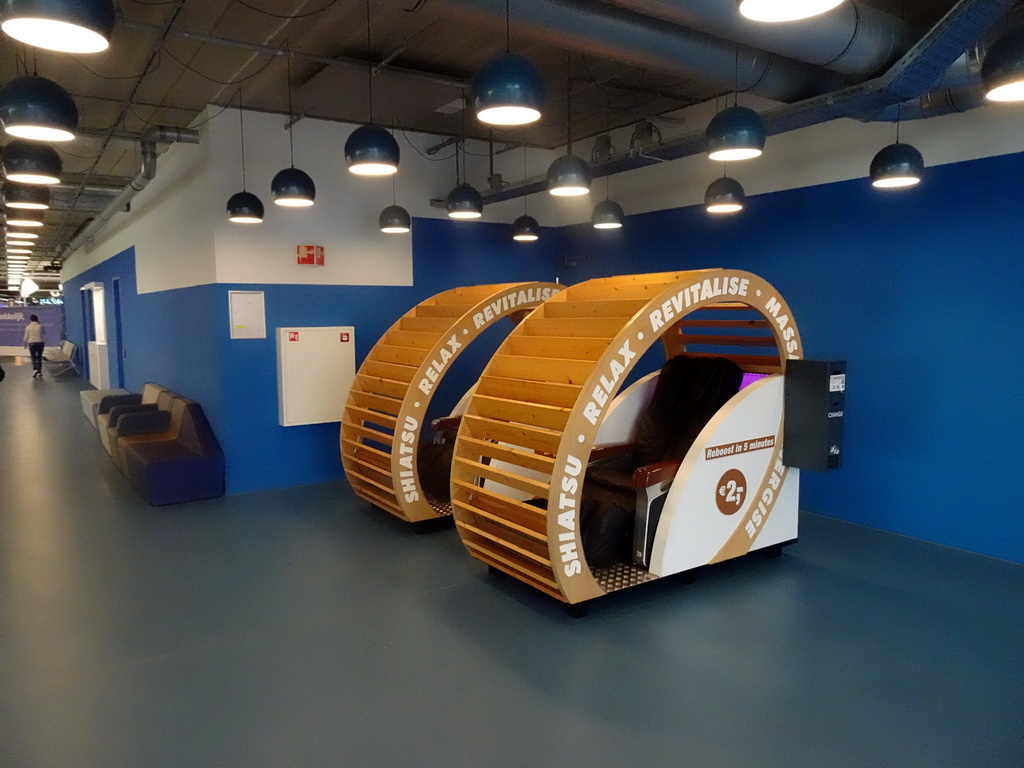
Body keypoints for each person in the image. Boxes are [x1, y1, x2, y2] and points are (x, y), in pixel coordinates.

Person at [24, 314, 44, 379]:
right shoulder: (40, 326)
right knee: (39, 357)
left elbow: (26, 337)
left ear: (31, 319)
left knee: (33, 357)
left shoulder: (28, 327)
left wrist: (25, 344)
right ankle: (40, 371)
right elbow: (44, 333)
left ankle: (35, 369)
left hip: (31, 343)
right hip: (40, 342)